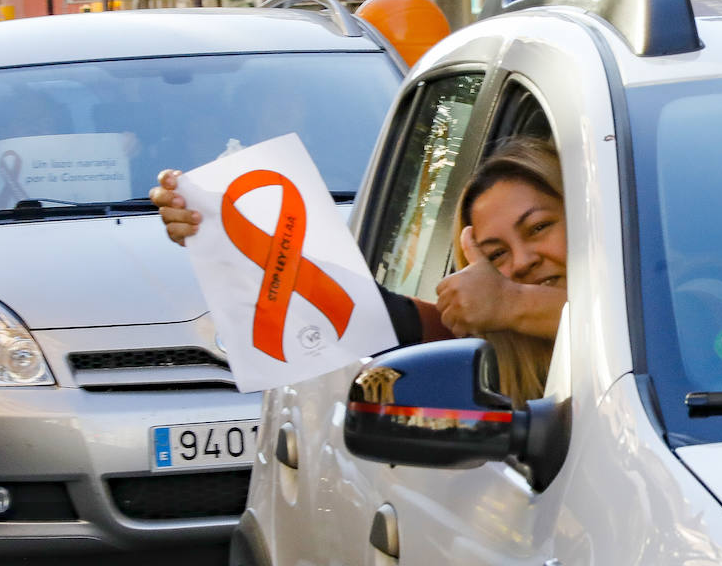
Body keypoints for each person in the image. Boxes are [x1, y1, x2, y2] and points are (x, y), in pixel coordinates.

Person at [151, 136, 567, 405]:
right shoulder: (478, 346)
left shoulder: (624, 312)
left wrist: (512, 302)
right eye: (495, 254)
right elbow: (351, 305)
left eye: (540, 227)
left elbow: (631, 324)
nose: (524, 260)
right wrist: (217, 229)